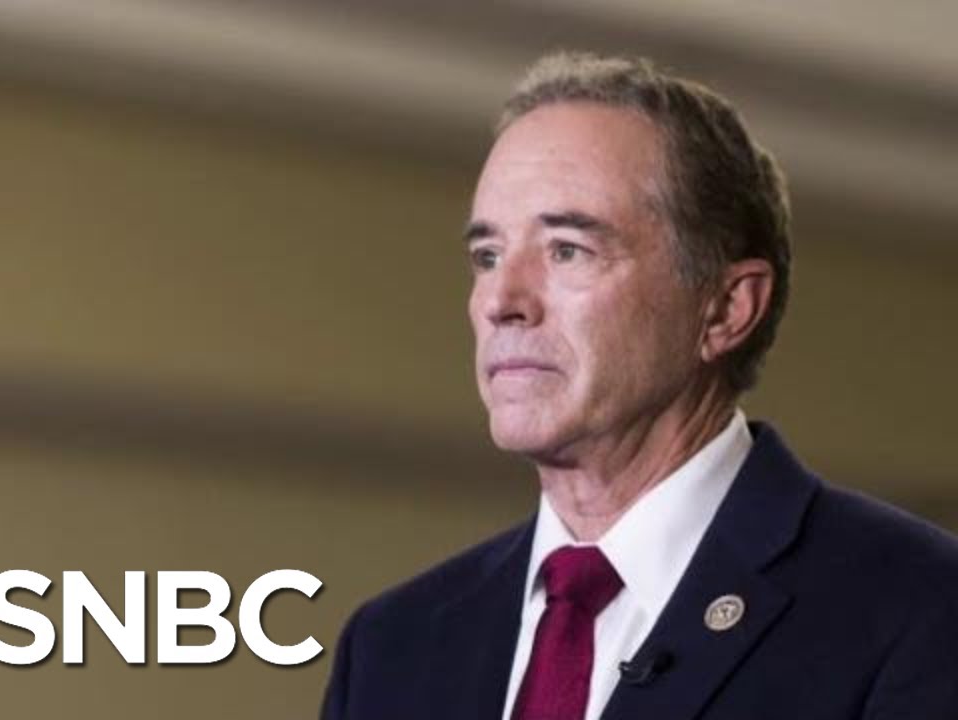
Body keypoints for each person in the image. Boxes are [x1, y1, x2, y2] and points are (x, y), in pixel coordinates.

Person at [319, 52, 958, 720]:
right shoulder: (393, 647)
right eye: (488, 256)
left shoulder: (918, 610)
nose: (502, 301)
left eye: (567, 250)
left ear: (726, 308)